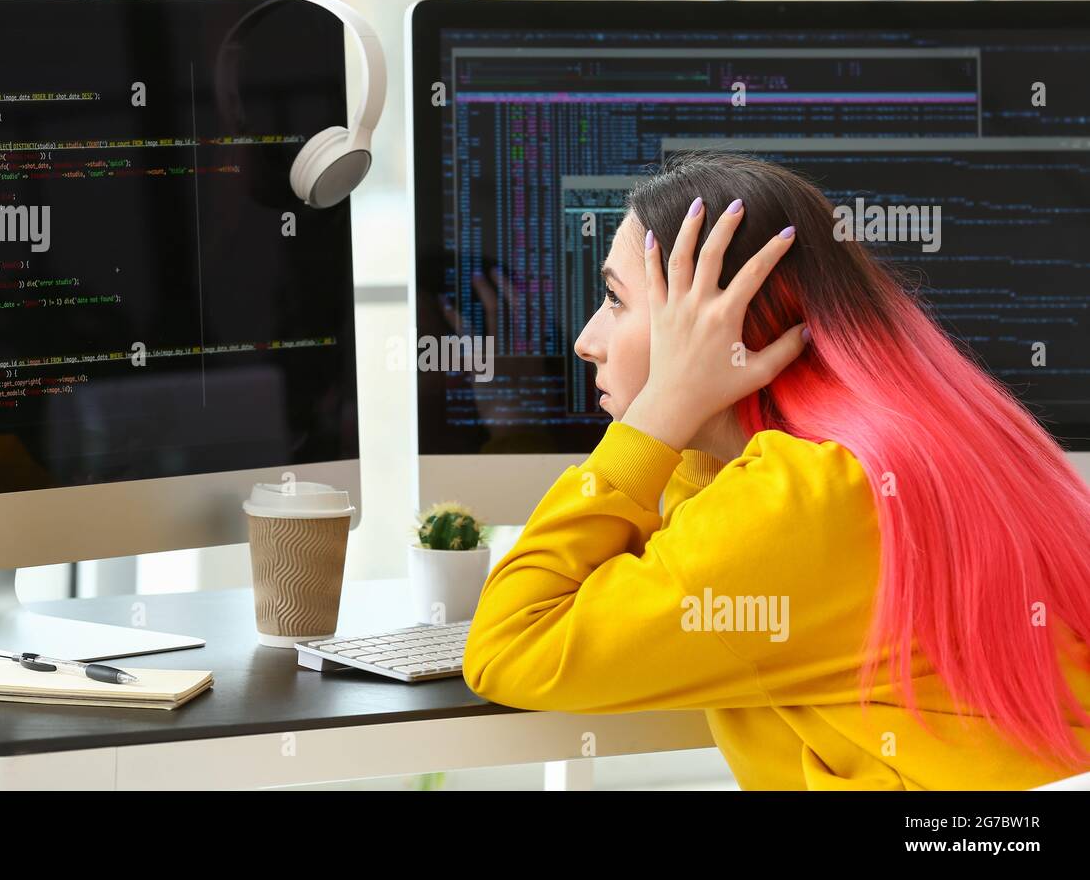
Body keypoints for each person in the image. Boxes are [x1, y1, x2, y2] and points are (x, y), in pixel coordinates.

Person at [462, 150, 1090, 789]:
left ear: (718, 327)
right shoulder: (873, 453)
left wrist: (659, 412)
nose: (586, 340)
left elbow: (511, 644)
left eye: (615, 300)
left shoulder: (796, 501)